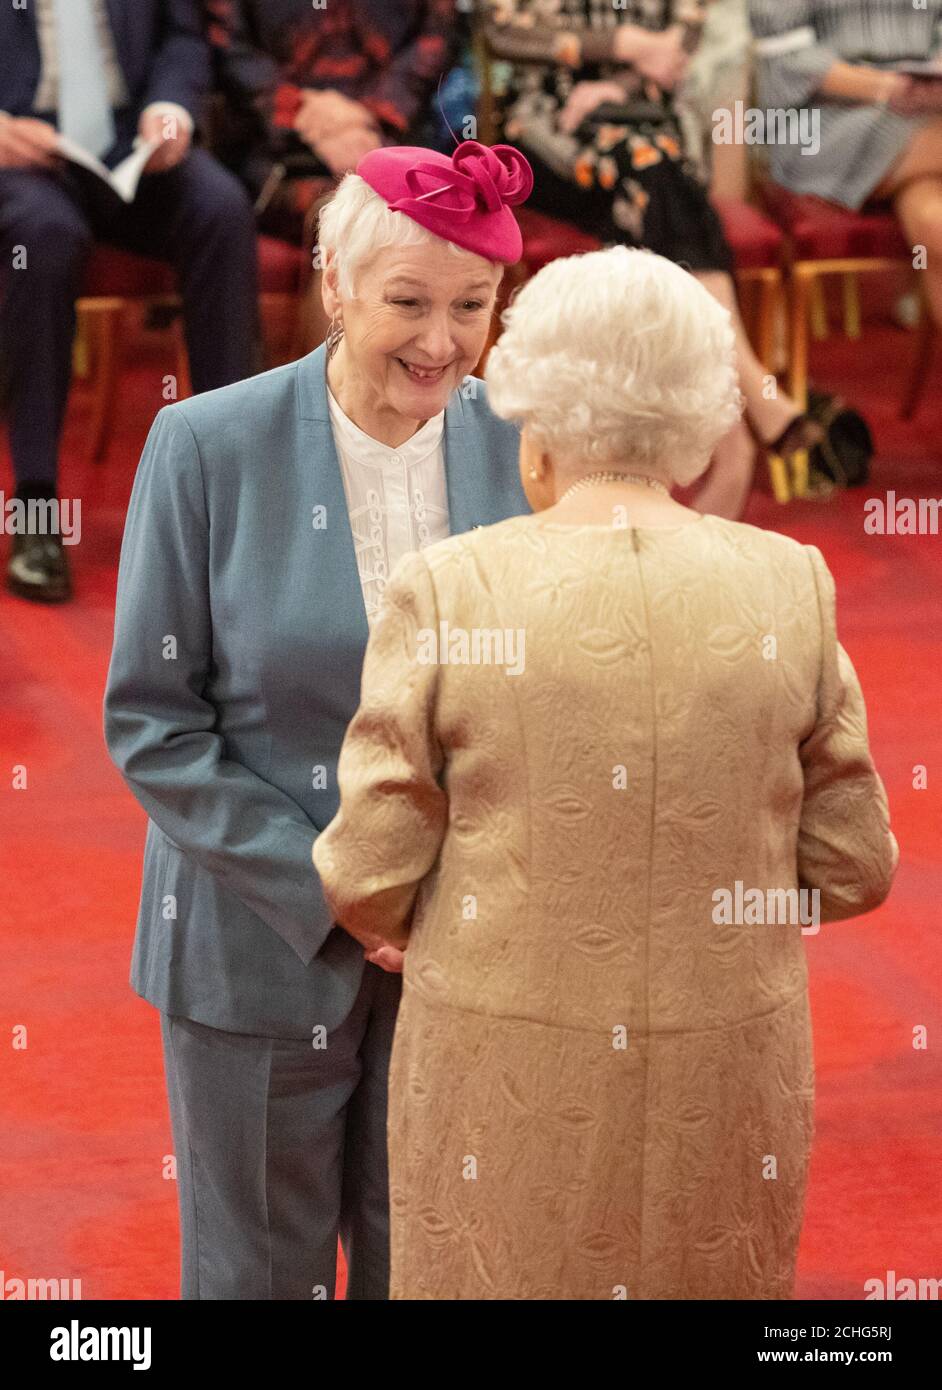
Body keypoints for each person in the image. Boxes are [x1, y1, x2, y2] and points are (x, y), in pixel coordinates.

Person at [313, 244, 899, 1299]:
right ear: (699, 414)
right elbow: (853, 863)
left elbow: (367, 871)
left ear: (531, 418)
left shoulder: (451, 588)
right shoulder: (790, 585)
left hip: (507, 1077)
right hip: (728, 1074)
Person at [103, 137, 534, 1299]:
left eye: (472, 305)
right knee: (256, 1275)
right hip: (253, 943)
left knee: (432, 1261)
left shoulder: (526, 440)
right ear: (333, 281)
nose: (441, 342)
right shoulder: (205, 444)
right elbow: (154, 719)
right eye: (406, 301)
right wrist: (341, 887)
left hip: (462, 944)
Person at [479, 0, 821, 521]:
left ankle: (734, 441)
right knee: (661, 183)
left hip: (645, 116)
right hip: (549, 126)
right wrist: (630, 46)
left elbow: (682, 43)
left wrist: (621, 86)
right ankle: (742, 418)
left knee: (658, 180)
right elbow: (504, 34)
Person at [0, 0, 259, 603]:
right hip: (19, 153)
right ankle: (35, 506)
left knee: (220, 209)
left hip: (127, 140)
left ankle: (232, 497)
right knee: (44, 239)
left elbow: (182, 34)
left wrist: (169, 110)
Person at [750, 0, 942, 331]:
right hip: (822, 119)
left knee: (933, 222)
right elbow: (783, 56)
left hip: (925, 115)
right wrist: (887, 87)